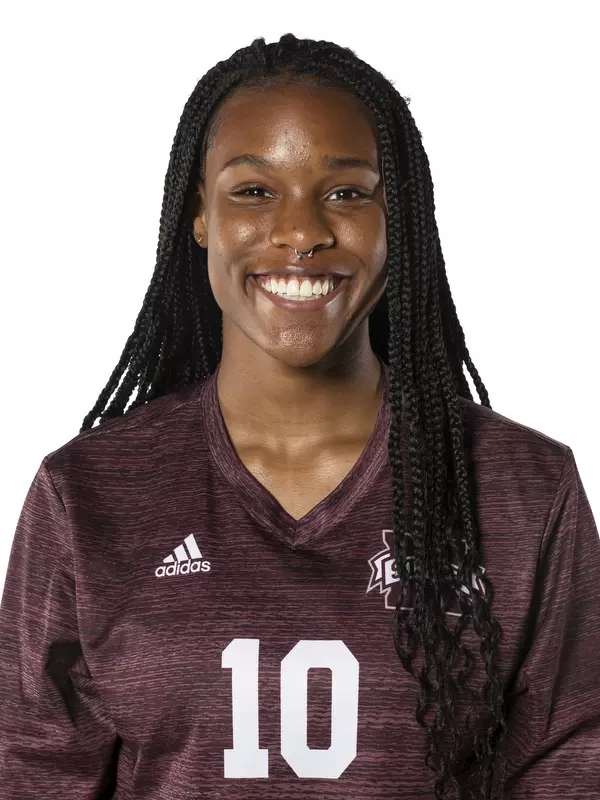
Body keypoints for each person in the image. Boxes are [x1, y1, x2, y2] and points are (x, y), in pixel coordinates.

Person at [0, 33, 598, 800]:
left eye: (347, 193)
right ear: (200, 216)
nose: (302, 232)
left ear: (400, 219)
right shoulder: (87, 496)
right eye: (254, 191)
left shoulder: (524, 491)